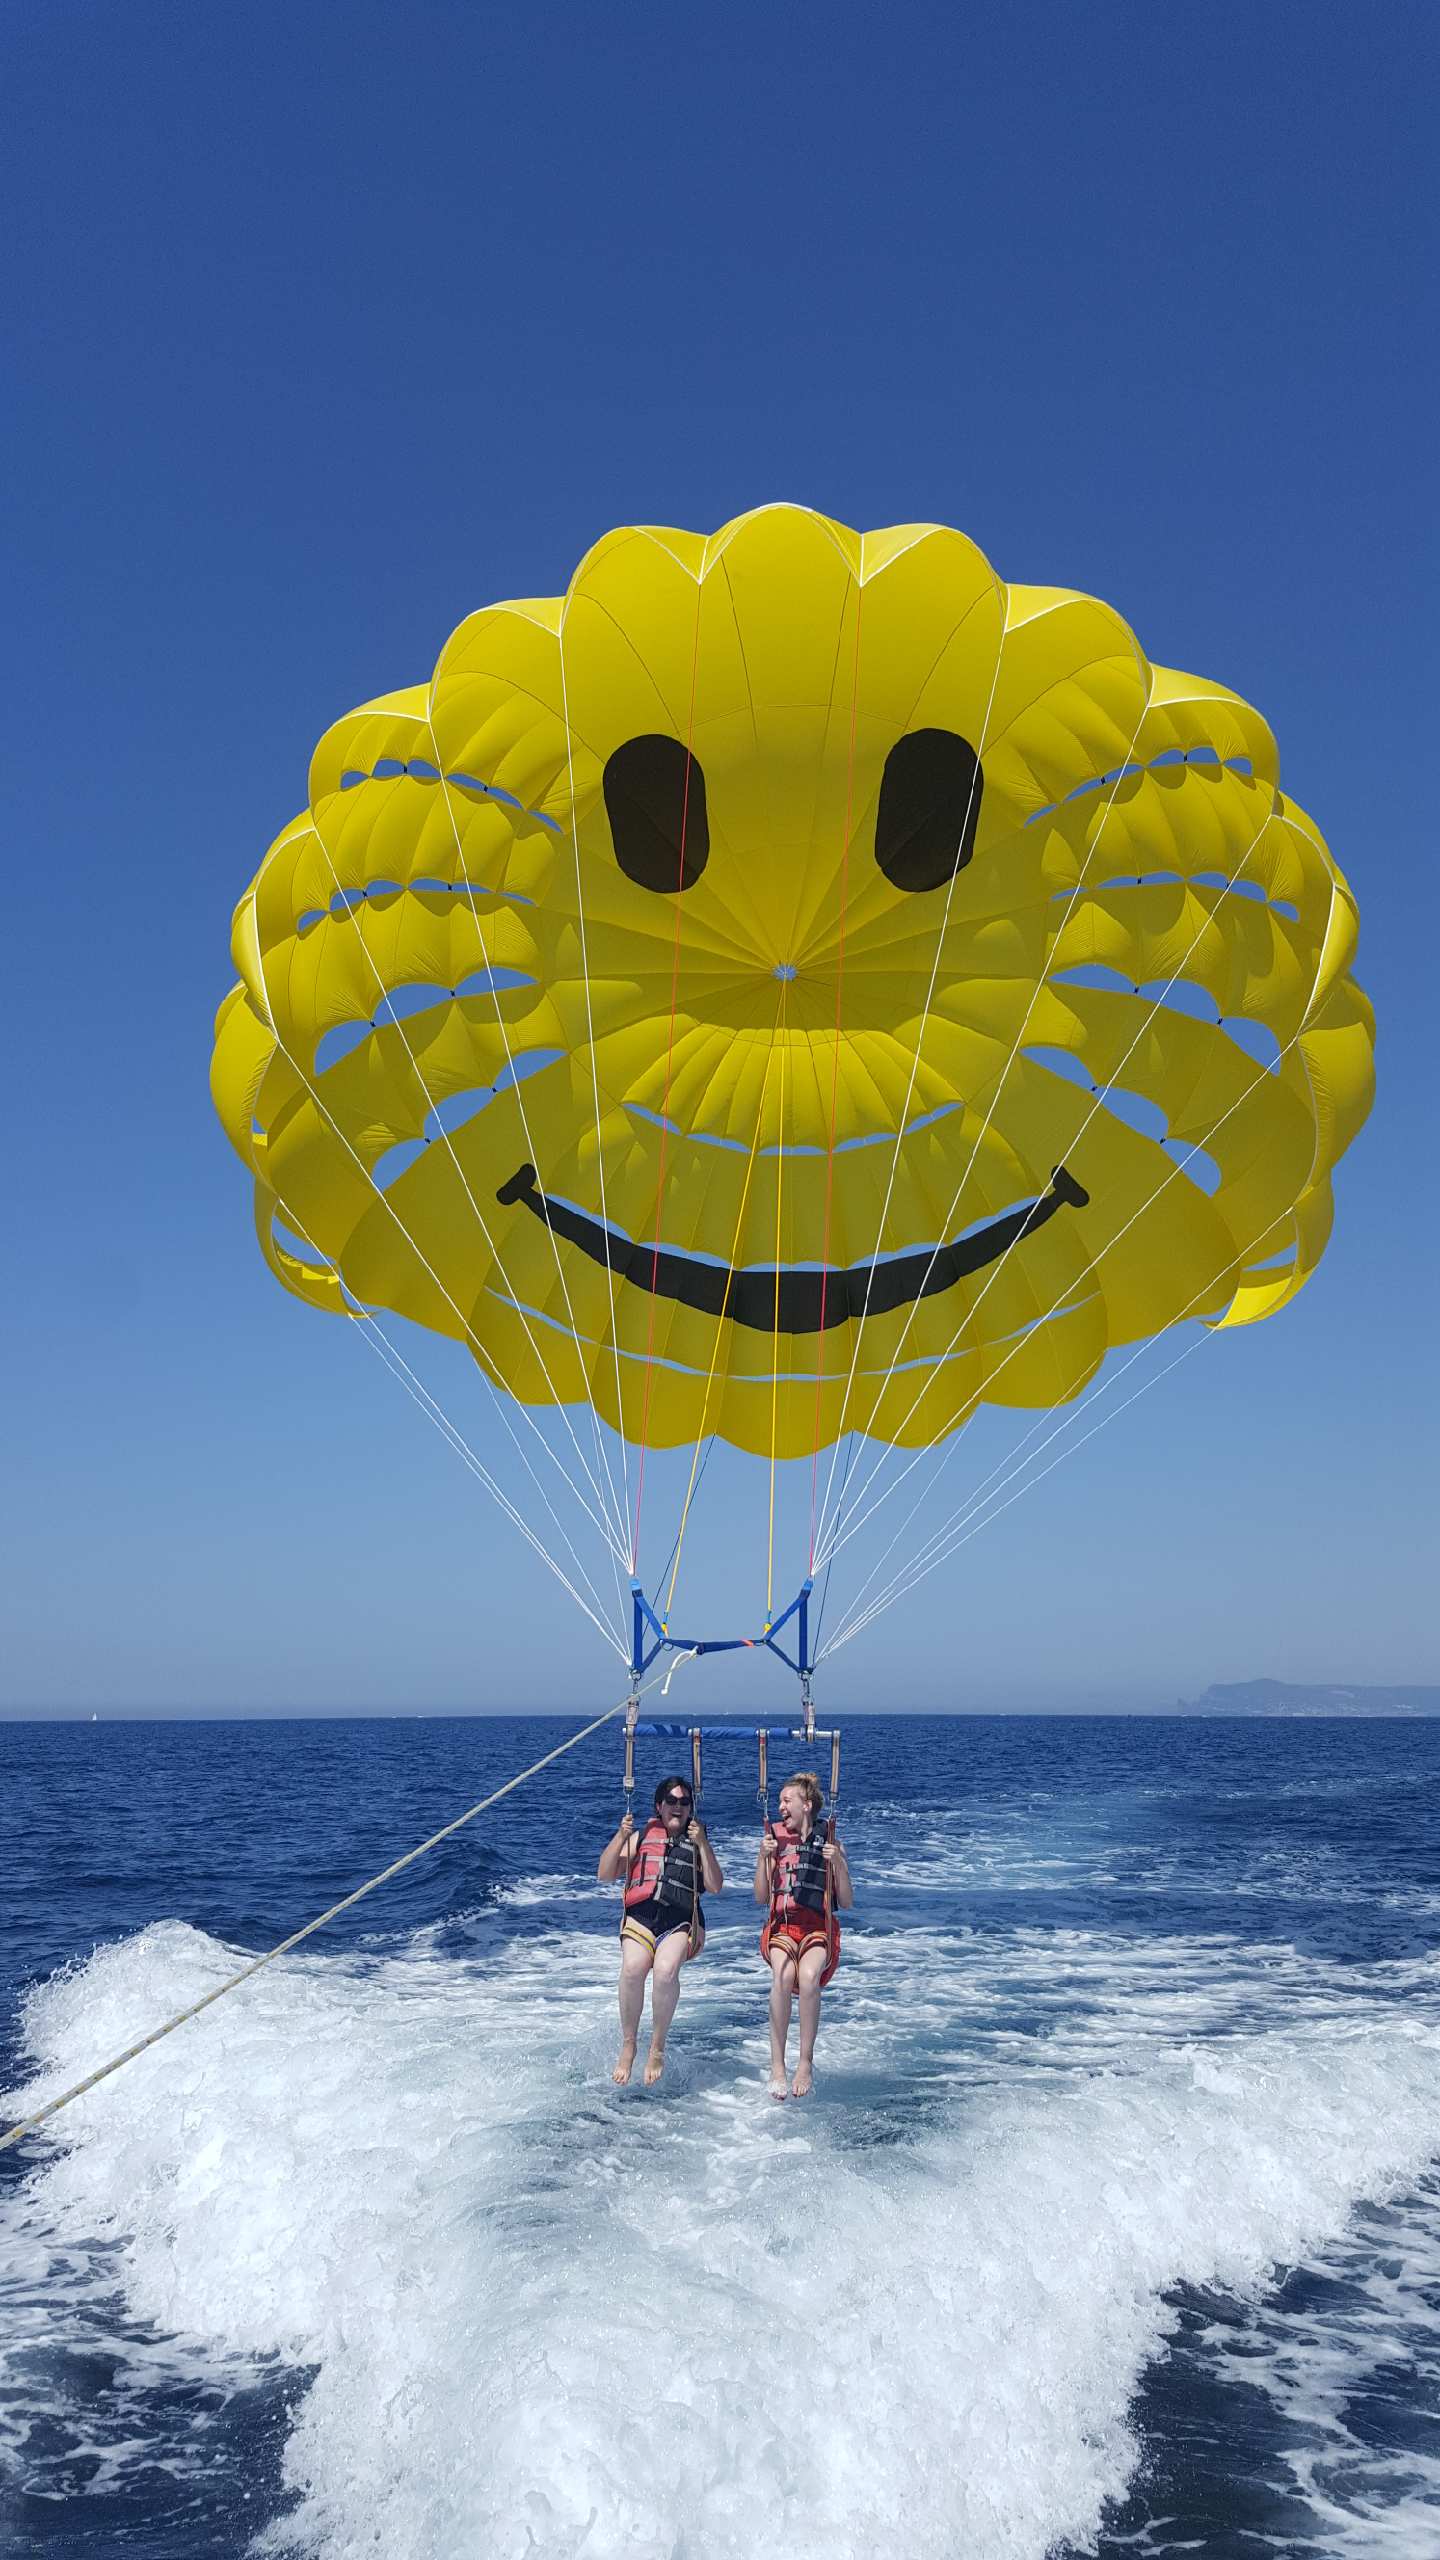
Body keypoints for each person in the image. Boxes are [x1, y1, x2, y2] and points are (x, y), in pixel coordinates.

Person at [597, 1776, 723, 2086]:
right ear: (659, 1806)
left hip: (681, 1921)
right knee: (632, 1968)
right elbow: (605, 1874)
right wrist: (621, 1836)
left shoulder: (698, 1841)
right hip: (641, 1918)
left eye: (684, 1802)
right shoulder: (641, 1836)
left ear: (691, 1808)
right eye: (671, 1801)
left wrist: (702, 1843)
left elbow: (715, 1886)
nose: (678, 1806)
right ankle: (629, 2044)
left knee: (665, 1972)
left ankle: (657, 2047)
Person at [754, 1771, 853, 2100]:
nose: (781, 1807)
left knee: (809, 1978)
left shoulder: (831, 1841)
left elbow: (846, 1901)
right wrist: (763, 1858)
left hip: (817, 1928)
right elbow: (760, 1896)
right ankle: (777, 2065)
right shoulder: (774, 1840)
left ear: (806, 1805)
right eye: (779, 1801)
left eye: (787, 1801)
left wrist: (838, 1863)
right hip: (782, 1927)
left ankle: (805, 2063)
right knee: (782, 1976)